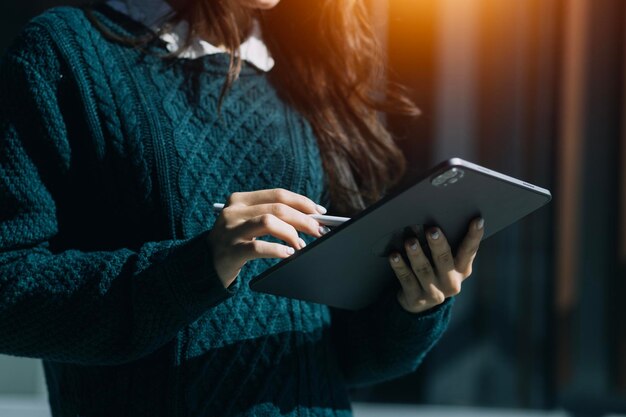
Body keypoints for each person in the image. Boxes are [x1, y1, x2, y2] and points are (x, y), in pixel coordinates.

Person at [0, 0, 485, 415]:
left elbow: (347, 356)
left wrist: (413, 305)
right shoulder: (63, 52)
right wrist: (197, 267)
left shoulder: (305, 69)